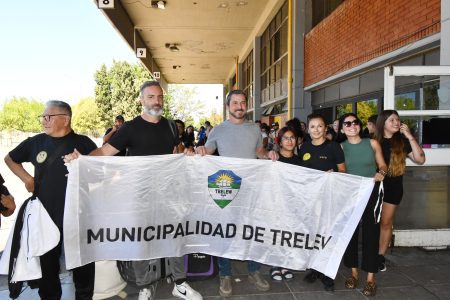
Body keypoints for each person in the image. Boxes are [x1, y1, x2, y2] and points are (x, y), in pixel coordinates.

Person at [64, 81, 202, 300]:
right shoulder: (130, 127)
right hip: (139, 194)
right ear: (141, 100)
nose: (156, 101)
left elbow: (177, 150)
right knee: (140, 239)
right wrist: (82, 160)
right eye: (151, 97)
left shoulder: (169, 126)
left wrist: (188, 152)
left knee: (174, 236)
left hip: (168, 193)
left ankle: (180, 283)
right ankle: (144, 285)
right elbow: (105, 151)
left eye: (159, 97)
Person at [5, 100, 97, 300]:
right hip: (45, 215)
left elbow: (101, 174)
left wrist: (84, 168)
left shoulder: (85, 144)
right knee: (47, 265)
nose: (43, 121)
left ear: (65, 119)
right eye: (42, 117)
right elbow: (10, 159)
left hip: (78, 214)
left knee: (83, 263)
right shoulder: (35, 142)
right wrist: (27, 178)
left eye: (48, 117)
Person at [194, 89, 278, 297]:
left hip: (251, 188)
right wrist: (201, 151)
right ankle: (225, 275)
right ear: (227, 106)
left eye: (243, 103)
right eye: (235, 103)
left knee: (253, 230)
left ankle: (254, 271)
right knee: (226, 232)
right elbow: (208, 152)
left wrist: (269, 154)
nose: (240, 107)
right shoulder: (218, 131)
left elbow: (259, 152)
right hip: (227, 189)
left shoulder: (255, 129)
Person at [339, 113, 388, 297]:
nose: (352, 126)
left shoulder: (372, 143)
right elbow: (338, 171)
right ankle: (353, 273)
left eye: (355, 122)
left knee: (371, 234)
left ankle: (370, 278)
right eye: (347, 123)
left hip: (371, 192)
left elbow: (383, 165)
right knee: (350, 233)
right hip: (350, 194)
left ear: (360, 125)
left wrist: (381, 172)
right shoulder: (340, 148)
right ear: (342, 128)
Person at [298, 113, 346, 292]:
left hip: (329, 199)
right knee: (313, 234)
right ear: (308, 129)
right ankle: (315, 268)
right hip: (310, 200)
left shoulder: (334, 147)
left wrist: (333, 176)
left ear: (325, 129)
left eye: (320, 126)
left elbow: (343, 171)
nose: (316, 130)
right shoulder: (303, 147)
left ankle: (328, 274)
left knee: (327, 235)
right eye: (312, 126)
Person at [375, 110, 425, 272]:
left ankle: (380, 256)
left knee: (386, 222)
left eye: (398, 119)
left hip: (394, 187)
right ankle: (370, 252)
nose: (397, 122)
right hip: (374, 186)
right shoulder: (373, 141)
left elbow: (420, 159)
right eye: (392, 120)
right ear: (383, 123)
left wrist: (410, 136)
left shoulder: (402, 141)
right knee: (372, 223)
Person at [268, 127, 299, 282]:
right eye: (285, 138)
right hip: (275, 202)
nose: (289, 141)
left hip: (292, 203)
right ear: (279, 141)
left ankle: (285, 263)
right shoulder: (273, 159)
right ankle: (275, 264)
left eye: (292, 137)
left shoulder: (300, 161)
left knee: (288, 233)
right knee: (276, 233)